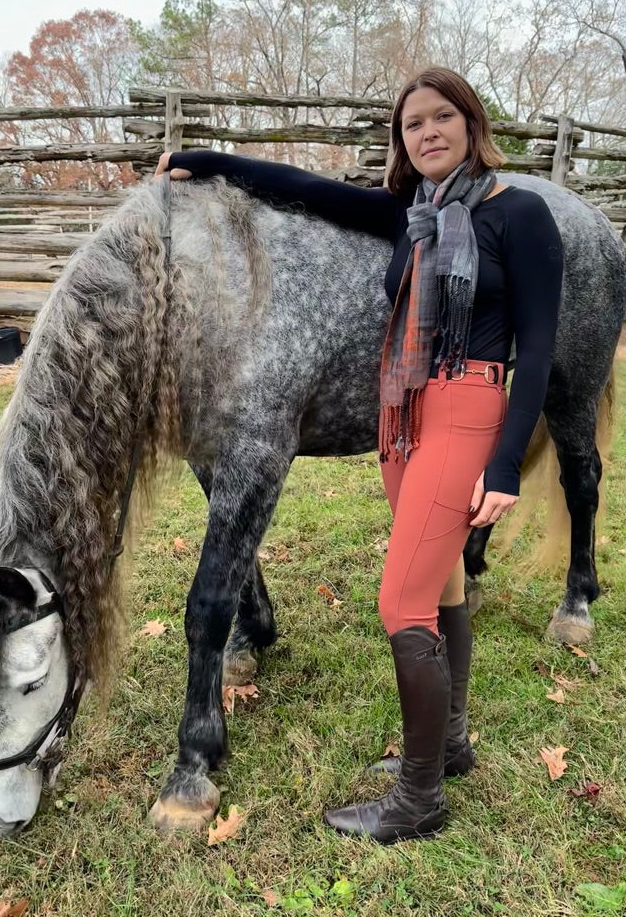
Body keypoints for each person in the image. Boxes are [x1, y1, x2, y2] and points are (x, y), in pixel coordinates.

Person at [155, 68, 563, 843]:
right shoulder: (414, 214)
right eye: (414, 124)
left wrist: (505, 463)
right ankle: (449, 748)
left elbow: (536, 352)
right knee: (439, 587)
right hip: (403, 416)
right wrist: (209, 160)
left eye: (443, 117)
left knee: (399, 603)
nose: (429, 132)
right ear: (402, 141)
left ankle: (417, 802)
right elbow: (301, 187)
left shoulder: (522, 213)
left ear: (471, 124)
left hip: (467, 410)